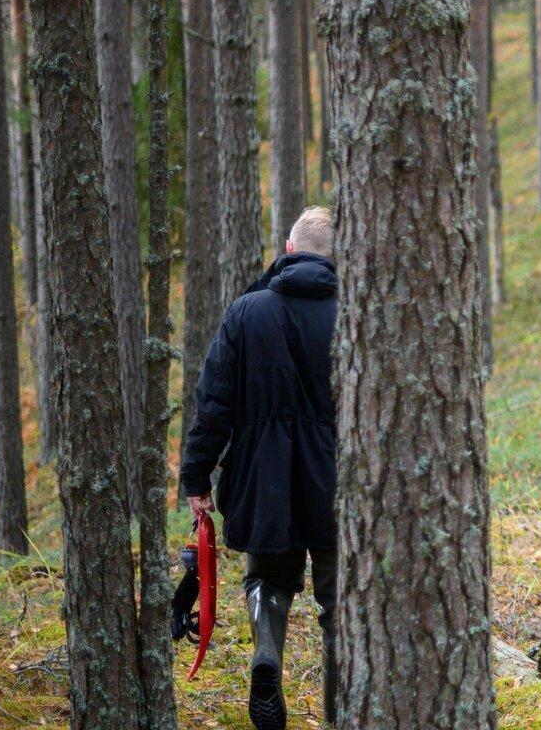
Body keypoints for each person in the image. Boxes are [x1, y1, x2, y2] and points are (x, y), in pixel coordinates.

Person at [181, 207, 340, 730]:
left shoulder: (247, 312)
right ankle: (346, 704)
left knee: (268, 576)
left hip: (262, 474)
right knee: (340, 596)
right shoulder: (358, 313)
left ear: (288, 250)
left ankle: (267, 655)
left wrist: (196, 477)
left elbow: (214, 402)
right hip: (337, 477)